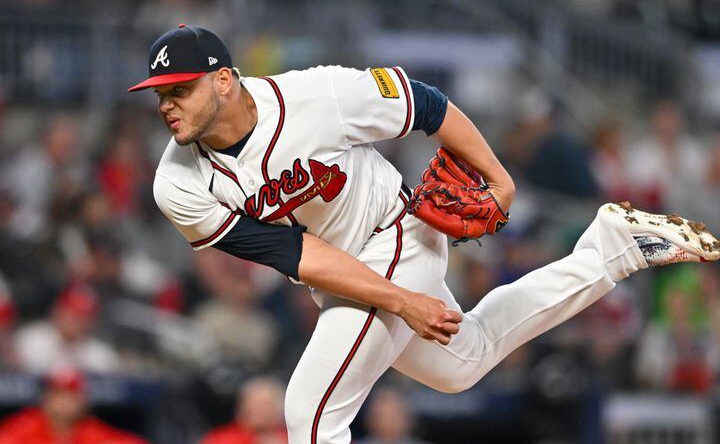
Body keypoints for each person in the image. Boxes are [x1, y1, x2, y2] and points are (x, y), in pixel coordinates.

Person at [128, 25, 720, 444]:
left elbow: (423, 104)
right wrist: (402, 302)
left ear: (225, 81)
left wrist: (498, 178)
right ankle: (608, 253)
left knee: (309, 412)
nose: (167, 106)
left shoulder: (319, 95)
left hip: (398, 234)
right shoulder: (177, 185)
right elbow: (294, 253)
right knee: (464, 364)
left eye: (180, 89)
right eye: (161, 95)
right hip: (345, 271)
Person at [0, 368, 147, 444]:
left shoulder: (89, 429)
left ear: (83, 401)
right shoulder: (27, 424)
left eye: (71, 395)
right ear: (46, 398)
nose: (65, 402)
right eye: (59, 395)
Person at [200, 376, 288, 444]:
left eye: (266, 404)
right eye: (254, 403)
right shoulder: (220, 439)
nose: (260, 410)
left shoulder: (292, 437)